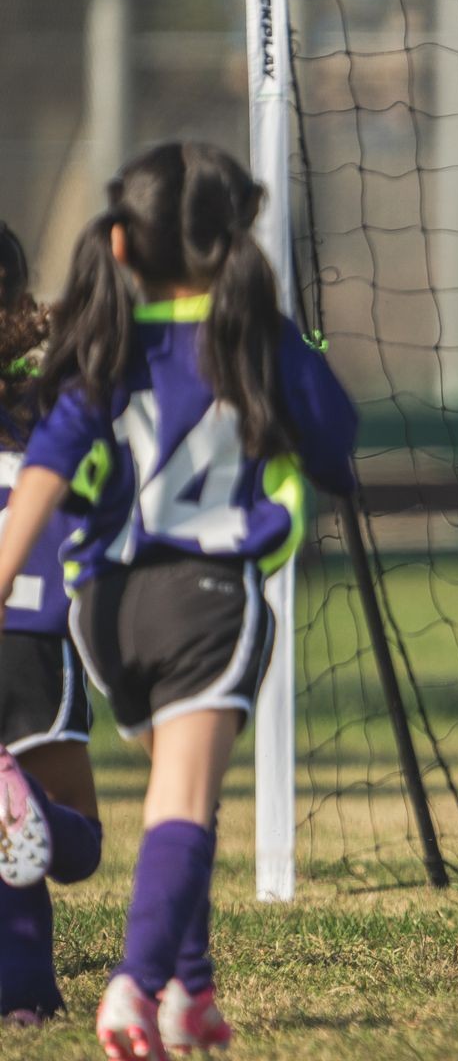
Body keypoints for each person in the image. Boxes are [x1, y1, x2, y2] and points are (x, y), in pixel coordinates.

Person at [0, 143, 358, 1059]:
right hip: (203, 602)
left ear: (118, 247)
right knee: (184, 806)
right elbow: (334, 447)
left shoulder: (101, 349)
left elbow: (44, 475)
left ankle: (192, 990)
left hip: (103, 612)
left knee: (170, 797)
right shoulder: (256, 340)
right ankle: (136, 988)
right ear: (235, 242)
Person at [0, 223, 104, 1026]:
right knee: (75, 844)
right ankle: (26, 998)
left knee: (13, 840)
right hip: (33, 632)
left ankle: (25, 994)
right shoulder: (53, 394)